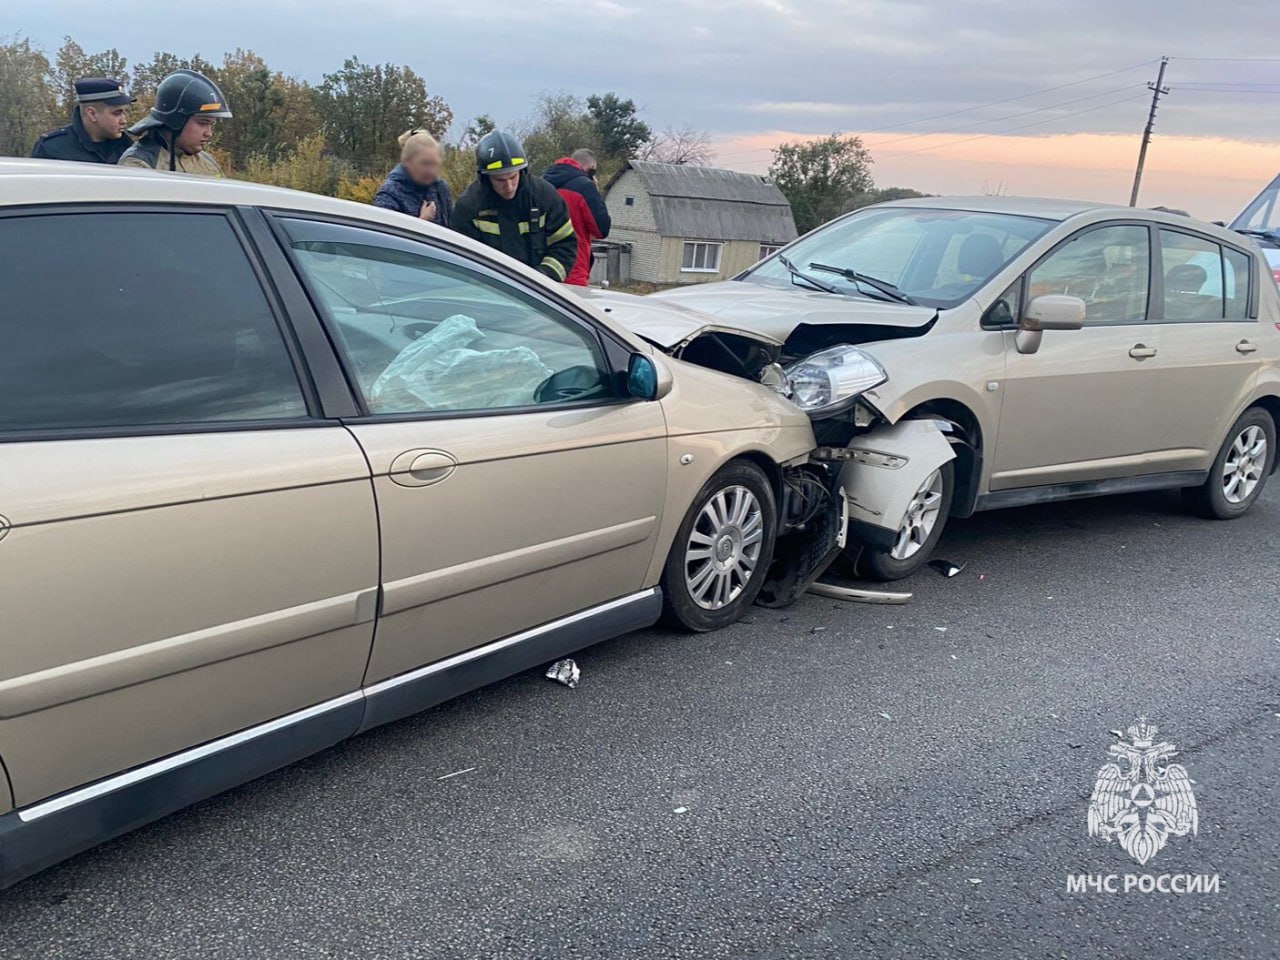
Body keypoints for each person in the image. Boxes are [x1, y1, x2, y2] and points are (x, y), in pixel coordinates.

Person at [452, 131, 576, 282]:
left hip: (541, 294)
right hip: (488, 294)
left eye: (513, 177)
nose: (509, 186)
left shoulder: (544, 197)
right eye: (500, 180)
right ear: (485, 177)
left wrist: (544, 278)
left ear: (522, 171)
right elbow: (461, 260)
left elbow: (565, 246)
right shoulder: (469, 207)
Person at [119, 69, 231, 177]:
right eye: (203, 123)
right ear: (175, 120)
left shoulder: (208, 162)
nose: (209, 133)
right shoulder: (139, 164)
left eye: (212, 124)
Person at [542, 149, 611, 287]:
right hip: (573, 267)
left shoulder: (541, 183)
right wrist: (596, 194)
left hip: (542, 266)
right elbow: (602, 229)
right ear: (590, 168)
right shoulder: (585, 187)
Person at [31, 78, 136, 165]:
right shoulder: (53, 148)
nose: (124, 121)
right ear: (92, 114)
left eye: (124, 113)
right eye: (117, 113)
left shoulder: (127, 147)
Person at [373, 129, 453, 227]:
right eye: (425, 163)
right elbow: (384, 237)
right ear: (407, 162)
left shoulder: (440, 188)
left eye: (434, 164)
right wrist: (423, 221)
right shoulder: (390, 193)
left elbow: (452, 228)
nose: (430, 170)